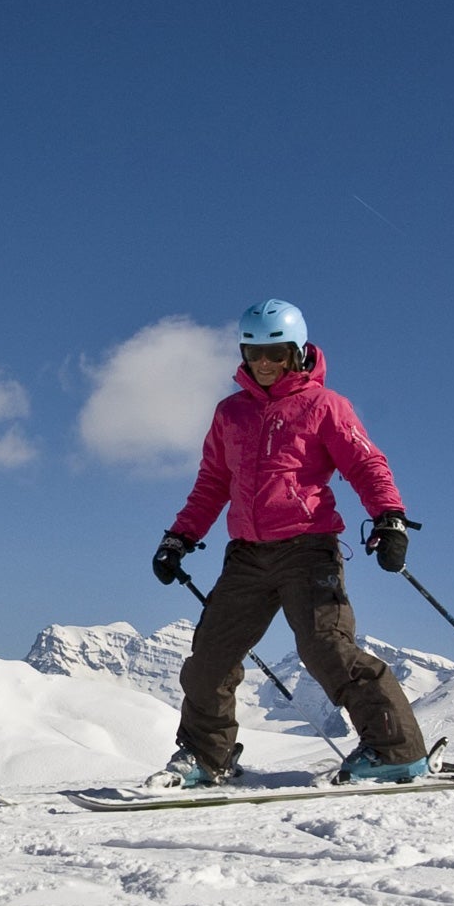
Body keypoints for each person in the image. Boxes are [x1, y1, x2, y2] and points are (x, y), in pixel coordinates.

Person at [149, 298, 428, 788]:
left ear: (297, 353)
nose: (263, 364)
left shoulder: (325, 406)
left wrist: (389, 519)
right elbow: (213, 483)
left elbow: (365, 464)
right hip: (247, 556)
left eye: (275, 354)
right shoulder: (229, 414)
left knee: (326, 647)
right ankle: (205, 758)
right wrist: (180, 537)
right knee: (209, 657)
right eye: (253, 354)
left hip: (308, 547)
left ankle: (394, 751)